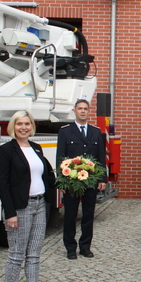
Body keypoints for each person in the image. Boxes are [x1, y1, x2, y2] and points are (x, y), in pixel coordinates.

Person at [0, 110, 55, 282]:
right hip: (20, 208)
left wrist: (69, 177)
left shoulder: (37, 148)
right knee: (16, 255)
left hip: (40, 206)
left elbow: (47, 176)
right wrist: (9, 213)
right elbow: (2, 184)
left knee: (34, 255)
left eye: (27, 124)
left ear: (32, 126)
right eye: (19, 124)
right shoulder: (5, 151)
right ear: (13, 126)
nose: (23, 127)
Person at [57, 99, 106, 260]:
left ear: (88, 111)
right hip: (72, 181)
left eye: (85, 109)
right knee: (70, 215)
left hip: (90, 181)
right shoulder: (65, 132)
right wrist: (61, 180)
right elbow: (61, 157)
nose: (83, 111)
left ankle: (85, 247)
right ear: (74, 111)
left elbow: (100, 158)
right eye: (80, 109)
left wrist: (102, 179)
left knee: (88, 215)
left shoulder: (96, 132)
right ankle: (70, 247)